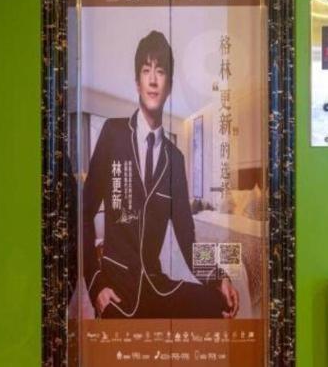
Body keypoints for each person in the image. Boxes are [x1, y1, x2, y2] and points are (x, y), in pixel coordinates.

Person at [82, 30, 239, 319]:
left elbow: (188, 238)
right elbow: (83, 213)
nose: (153, 79)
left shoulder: (175, 159)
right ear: (137, 82)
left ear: (169, 86)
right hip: (116, 290)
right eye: (146, 70)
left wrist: (219, 277)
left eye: (161, 71)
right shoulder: (113, 133)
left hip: (155, 285)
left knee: (218, 304)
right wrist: (95, 284)